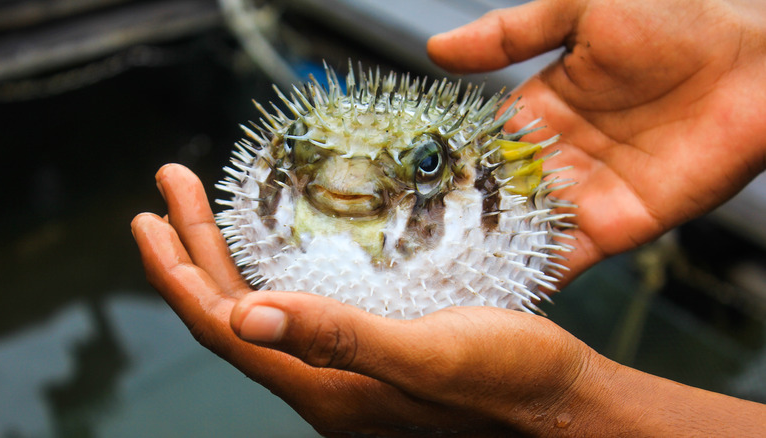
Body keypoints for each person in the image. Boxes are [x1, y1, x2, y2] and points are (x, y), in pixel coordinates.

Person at [131, 0, 766, 435]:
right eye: (302, 155)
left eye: (426, 167)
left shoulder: (509, 192)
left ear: (489, 183)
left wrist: (564, 400)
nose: (346, 184)